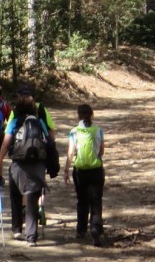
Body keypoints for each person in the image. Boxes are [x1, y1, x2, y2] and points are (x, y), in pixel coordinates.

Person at [0, 86, 52, 247]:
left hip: (18, 163)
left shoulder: (14, 120)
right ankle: (31, 238)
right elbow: (49, 141)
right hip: (37, 163)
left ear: (17, 107)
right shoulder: (39, 121)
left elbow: (6, 143)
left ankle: (16, 229)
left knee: (15, 195)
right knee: (32, 198)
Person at [65, 103, 105, 247]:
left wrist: (66, 170)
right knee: (96, 201)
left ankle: (81, 230)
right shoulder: (98, 130)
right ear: (92, 114)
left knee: (82, 201)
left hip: (80, 171)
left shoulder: (74, 131)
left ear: (78, 115)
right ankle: (95, 229)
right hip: (96, 170)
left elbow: (70, 153)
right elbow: (102, 151)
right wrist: (97, 158)